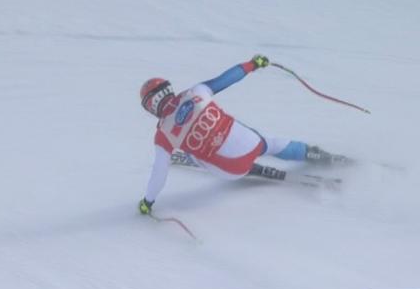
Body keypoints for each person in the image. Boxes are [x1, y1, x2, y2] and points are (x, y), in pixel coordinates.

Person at [138, 55, 348, 214]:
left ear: (150, 107)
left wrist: (147, 202)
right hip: (252, 143)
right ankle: (318, 155)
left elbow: (159, 174)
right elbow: (228, 78)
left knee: (192, 151)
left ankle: (241, 165)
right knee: (268, 142)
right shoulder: (197, 91)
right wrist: (253, 64)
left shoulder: (163, 134)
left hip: (231, 169)